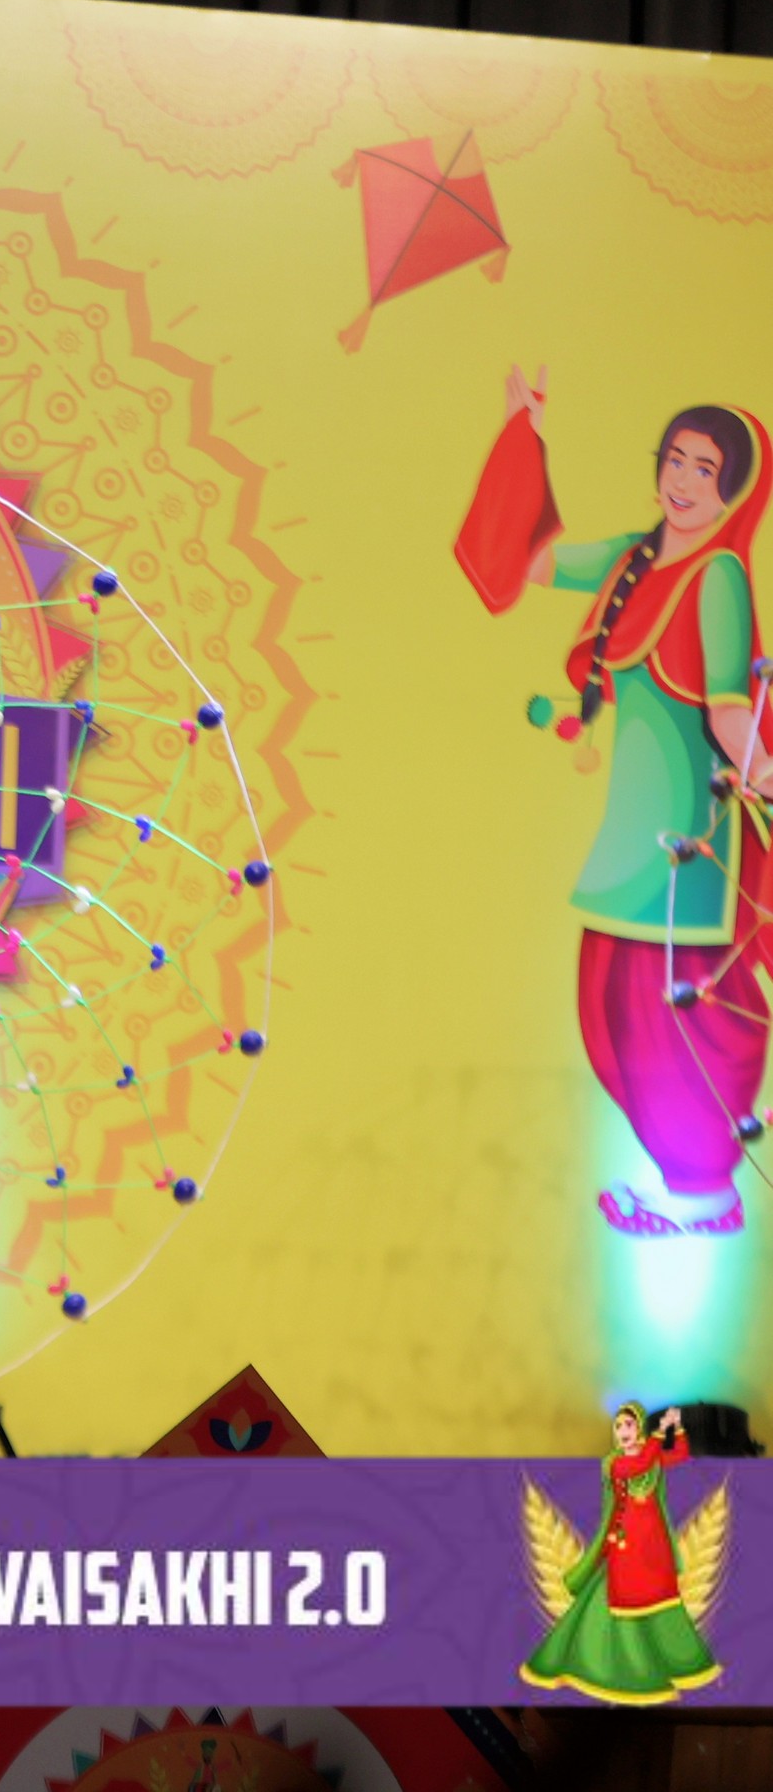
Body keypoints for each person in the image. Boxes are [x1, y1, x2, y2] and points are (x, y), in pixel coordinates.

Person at [455, 371, 773, 1235]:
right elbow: (537, 561)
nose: (684, 480)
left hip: (688, 840)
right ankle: (687, 1183)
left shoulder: (718, 575)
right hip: (631, 836)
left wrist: (765, 774)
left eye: (706, 469)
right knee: (608, 1011)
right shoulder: (636, 559)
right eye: (676, 460)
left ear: (732, 490)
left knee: (669, 1016)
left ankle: (702, 1192)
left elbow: (729, 706)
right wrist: (524, 438)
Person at [521, 1403, 722, 1703]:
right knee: (624, 1598)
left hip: (653, 1547)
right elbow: (638, 1465)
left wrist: (676, 1427)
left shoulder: (651, 1457)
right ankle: (623, 1666)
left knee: (662, 1597)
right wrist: (659, 1433)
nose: (623, 1432)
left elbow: (678, 1455)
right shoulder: (614, 1463)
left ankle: (676, 1660)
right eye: (618, 1426)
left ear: (638, 1428)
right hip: (626, 1546)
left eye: (628, 1425)